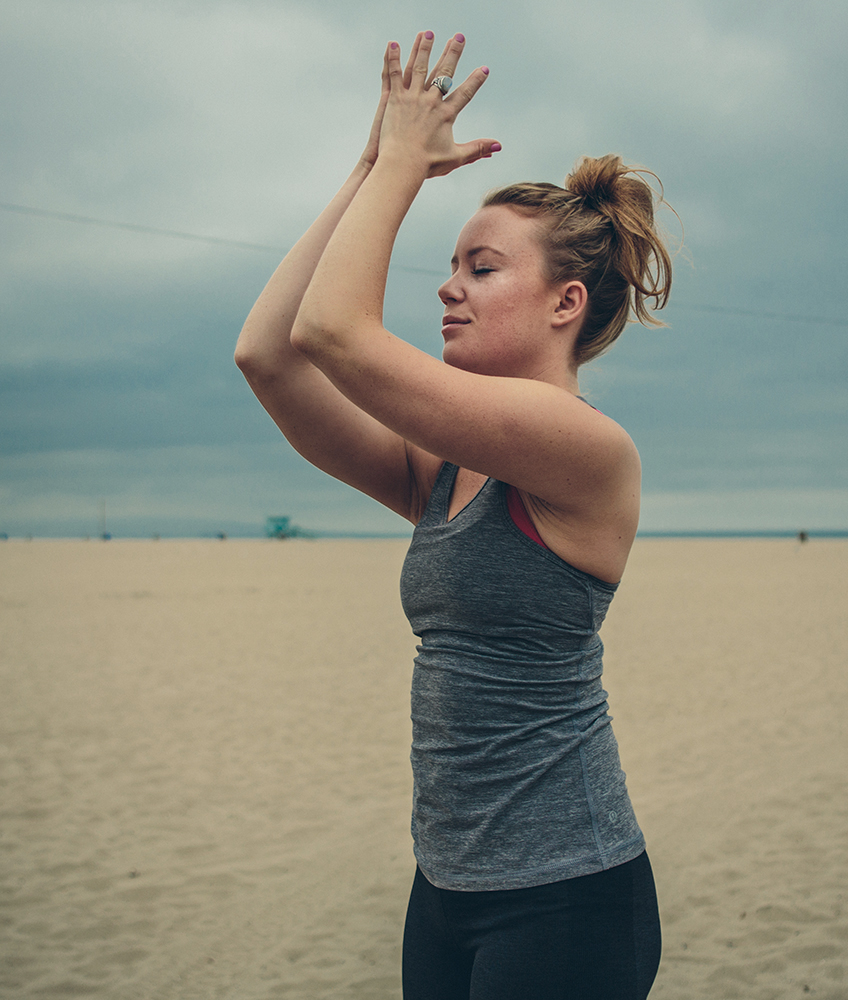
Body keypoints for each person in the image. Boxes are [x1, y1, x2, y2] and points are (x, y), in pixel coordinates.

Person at [235, 30, 672, 1000]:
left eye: (480, 267)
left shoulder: (585, 453)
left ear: (566, 301)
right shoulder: (444, 463)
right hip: (443, 889)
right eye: (453, 263)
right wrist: (365, 166)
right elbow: (269, 354)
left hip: (566, 898)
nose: (447, 285)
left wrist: (402, 166)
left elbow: (334, 331)